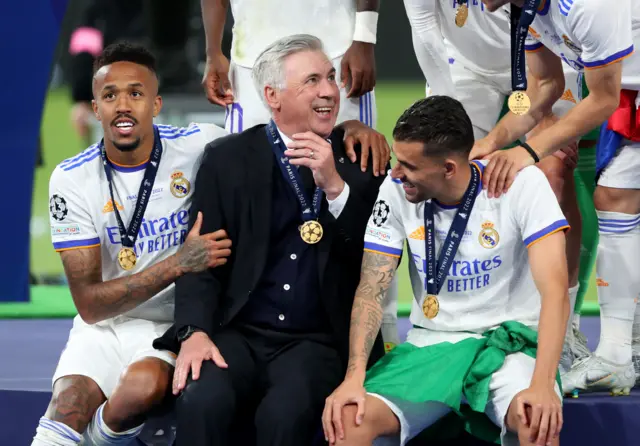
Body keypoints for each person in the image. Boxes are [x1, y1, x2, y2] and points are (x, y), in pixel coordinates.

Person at [152, 34, 388, 446]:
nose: (330, 91)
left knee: (285, 414)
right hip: (239, 333)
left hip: (317, 342)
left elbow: (374, 266)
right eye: (312, 81)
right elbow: (199, 257)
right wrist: (193, 332)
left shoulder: (359, 161)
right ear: (272, 96)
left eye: (331, 78)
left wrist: (336, 189)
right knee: (201, 398)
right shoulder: (227, 159)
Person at [323, 96, 570, 446]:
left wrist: (543, 384)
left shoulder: (522, 184)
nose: (395, 173)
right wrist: (353, 377)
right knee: (349, 420)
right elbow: (370, 289)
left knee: (537, 421)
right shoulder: (395, 191)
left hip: (508, 344)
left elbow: (556, 291)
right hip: (432, 344)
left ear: (449, 168)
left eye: (408, 165)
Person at [33, 41, 233, 446]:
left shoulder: (200, 144)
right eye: (110, 95)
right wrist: (179, 263)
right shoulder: (71, 179)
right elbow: (89, 305)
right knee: (68, 404)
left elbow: (274, 141)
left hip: (168, 325)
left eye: (135, 94)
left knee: (141, 389)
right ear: (95, 108)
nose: (123, 105)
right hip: (104, 325)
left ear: (156, 104)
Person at [200, 0, 402, 350]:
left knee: (364, 183)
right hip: (251, 63)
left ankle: (379, 340)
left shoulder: (331, 76)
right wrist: (212, 49)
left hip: (338, 51)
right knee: (244, 198)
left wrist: (365, 35)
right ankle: (238, 330)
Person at [402, 0, 588, 372]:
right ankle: (455, 320)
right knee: (443, 169)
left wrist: (542, 122)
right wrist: (447, 116)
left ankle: (565, 331)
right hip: (468, 69)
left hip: (551, 61)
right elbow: (424, 28)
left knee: (553, 172)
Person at [477, 0, 640, 395]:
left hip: (621, 93)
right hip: (628, 94)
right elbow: (545, 85)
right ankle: (623, 350)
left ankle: (621, 350)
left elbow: (602, 97)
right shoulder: (529, 7)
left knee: (615, 197)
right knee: (616, 198)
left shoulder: (587, 4)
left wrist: (530, 151)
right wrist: (492, 141)